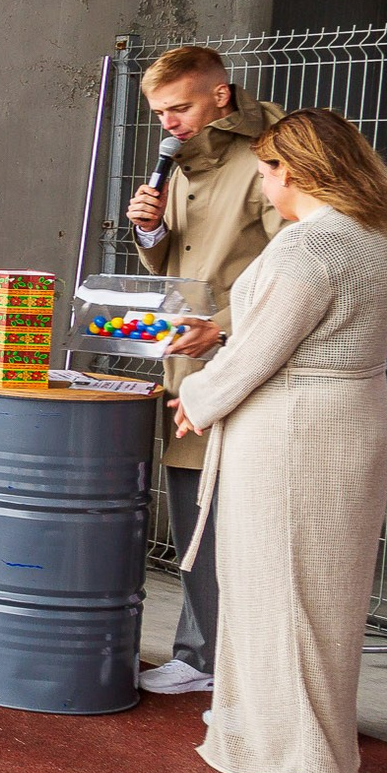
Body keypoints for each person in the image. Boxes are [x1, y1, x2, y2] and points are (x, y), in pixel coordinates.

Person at [170, 109, 387, 773]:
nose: (265, 181)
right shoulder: (384, 235)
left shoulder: (308, 247)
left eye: (269, 169)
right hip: (355, 421)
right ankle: (308, 751)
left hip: (291, 432)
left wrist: (200, 399)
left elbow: (258, 352)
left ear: (295, 171)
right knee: (324, 601)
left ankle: (273, 761)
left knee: (272, 598)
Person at [127, 45, 283, 698]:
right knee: (196, 515)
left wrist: (224, 321)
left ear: (220, 95)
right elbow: (176, 268)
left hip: (246, 363)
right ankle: (204, 653)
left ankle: (217, 659)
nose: (169, 122)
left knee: (236, 521)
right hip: (188, 366)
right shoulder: (180, 164)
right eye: (160, 112)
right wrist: (152, 234)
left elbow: (293, 264)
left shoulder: (273, 159)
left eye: (180, 106)